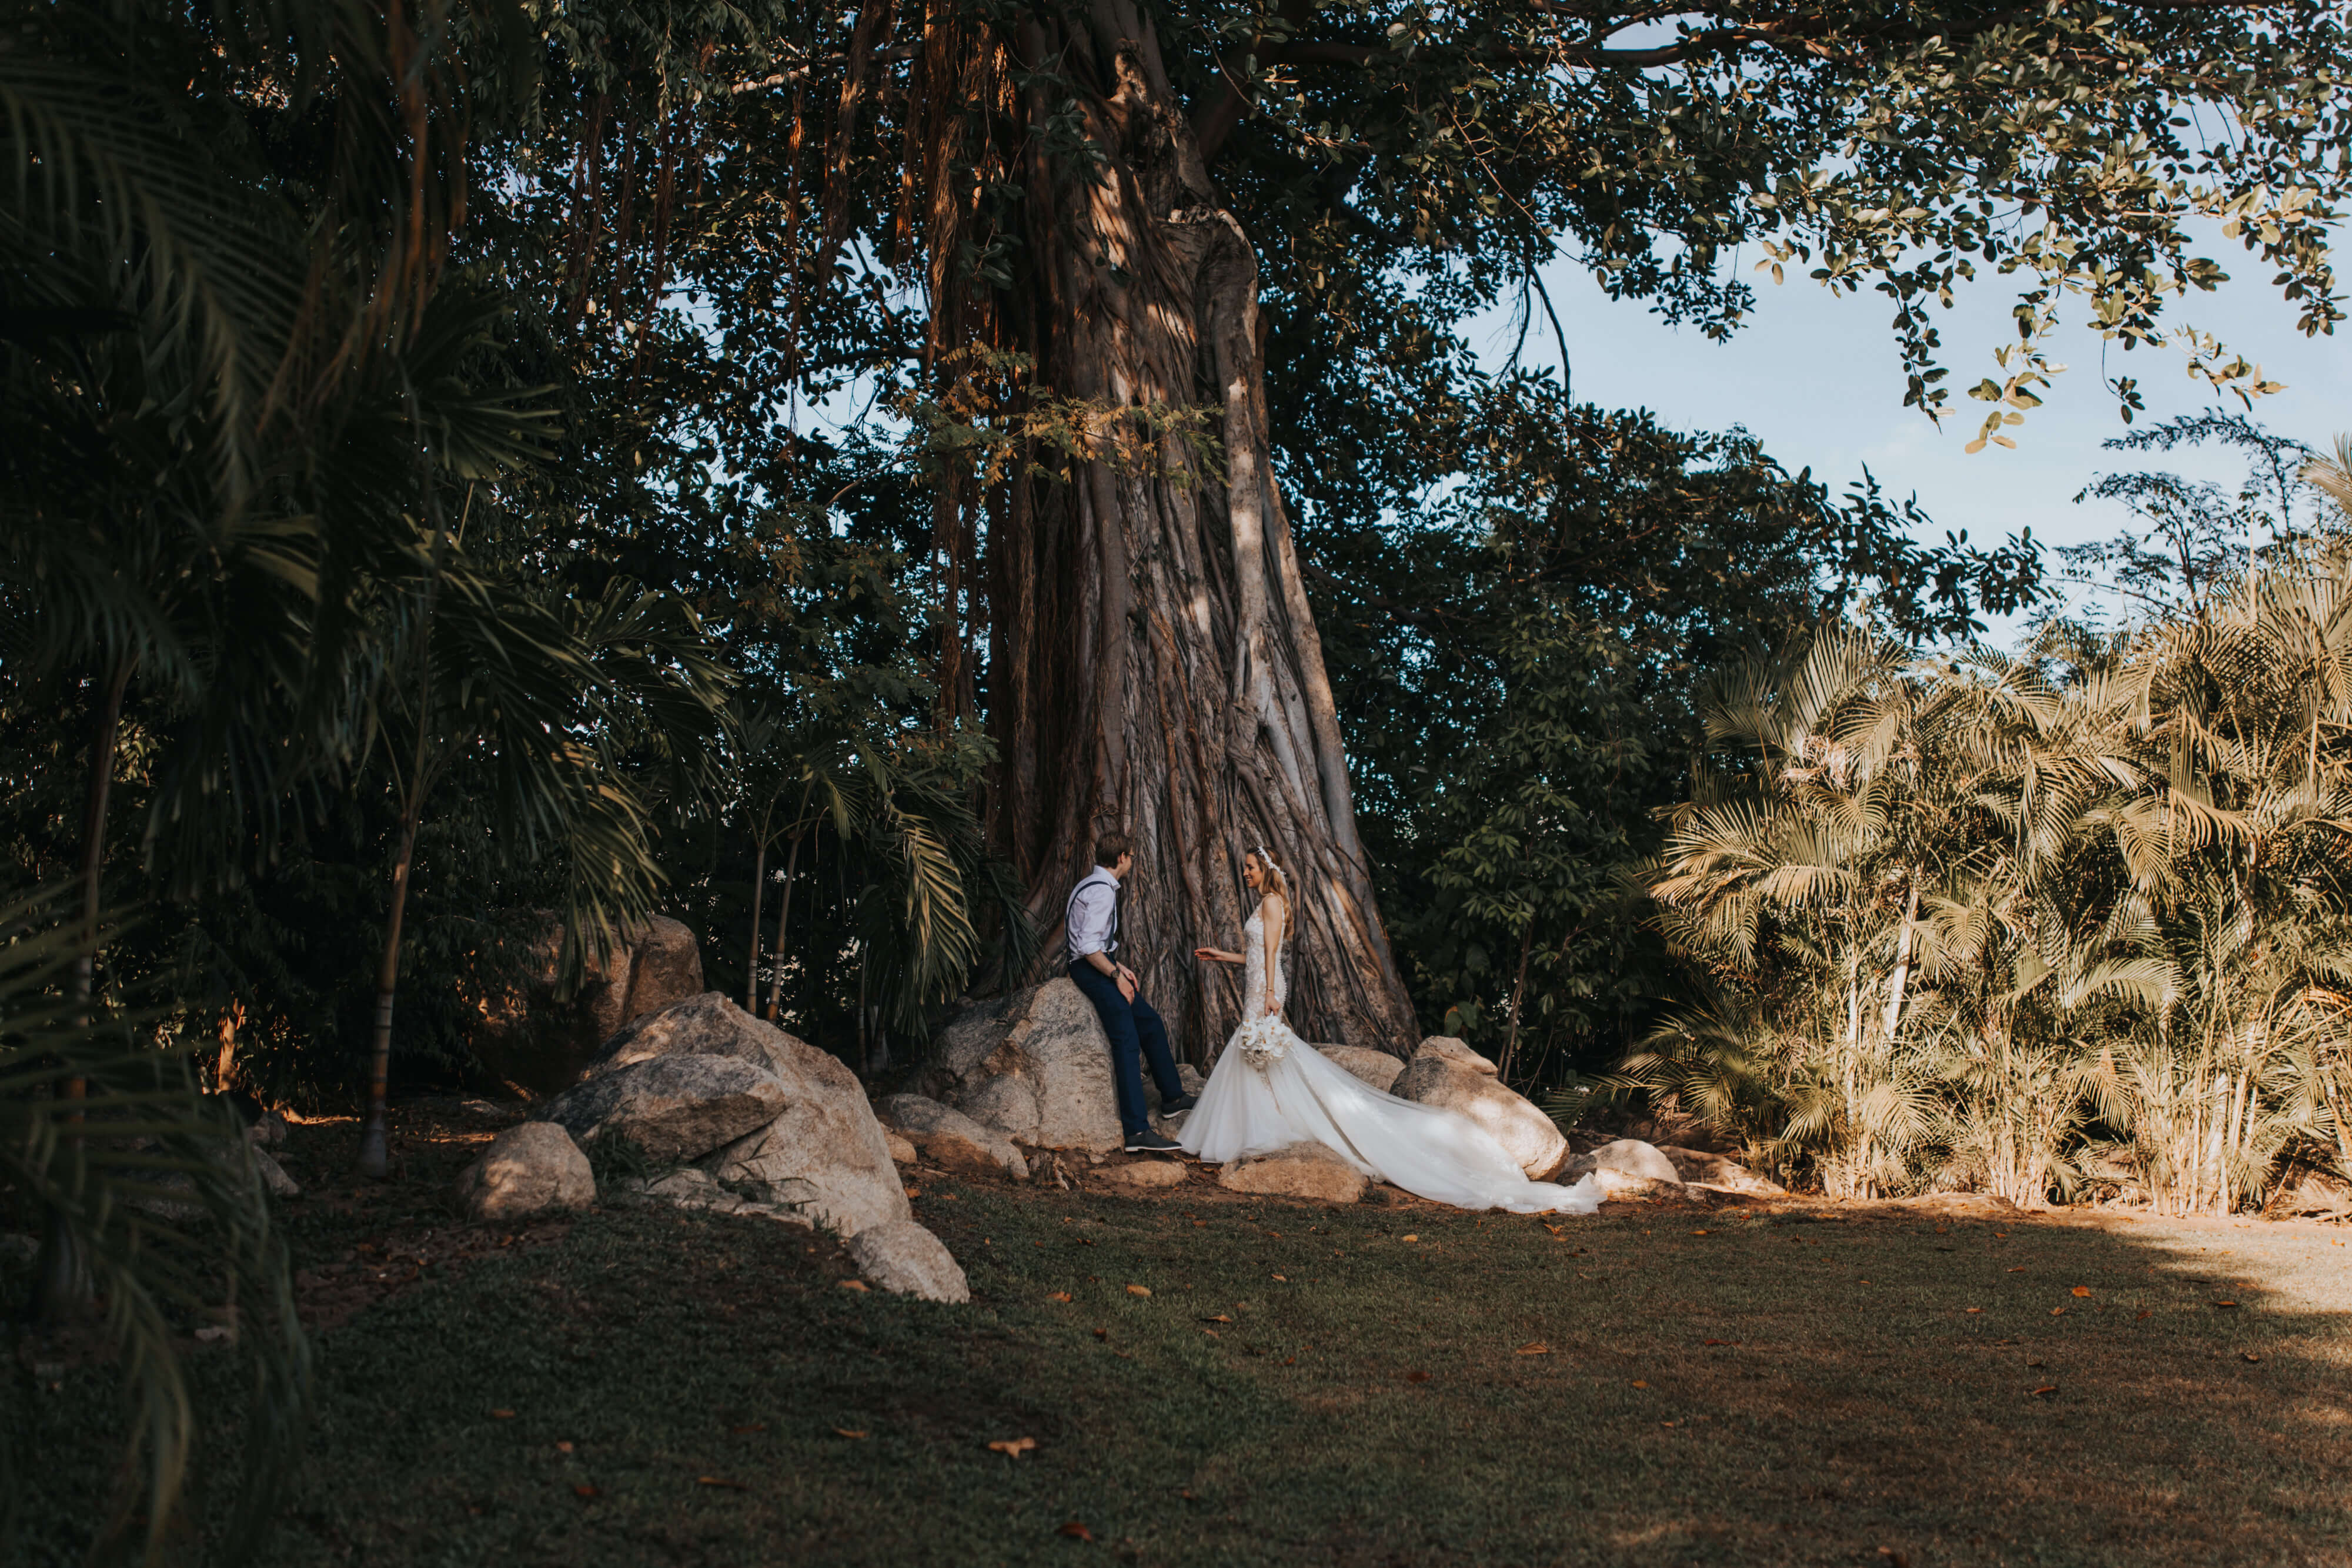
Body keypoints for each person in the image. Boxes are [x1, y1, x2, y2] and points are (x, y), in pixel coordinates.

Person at [1182, 845, 1602, 1215]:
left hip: (1266, 990)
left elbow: (1273, 953)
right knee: (1261, 1057)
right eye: (1245, 868)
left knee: (1266, 1053)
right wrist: (1224, 956)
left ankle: (1275, 1125)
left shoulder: (1272, 901)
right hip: (1259, 984)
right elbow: (1256, 954)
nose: (1245, 872)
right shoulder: (1263, 903)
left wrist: (1272, 993)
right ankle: (1265, 1122)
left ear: (1265, 869)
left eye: (1250, 867)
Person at [1066, 830, 1196, 1154]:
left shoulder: (1090, 885)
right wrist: (1114, 975)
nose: (1132, 861)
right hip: (1090, 969)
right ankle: (1136, 1131)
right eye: (1132, 856)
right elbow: (1086, 947)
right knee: (1126, 1040)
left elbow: (1094, 940)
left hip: (1100, 963)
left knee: (1150, 1023)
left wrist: (1118, 965)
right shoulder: (1102, 892)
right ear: (1122, 858)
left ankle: (1172, 1097)